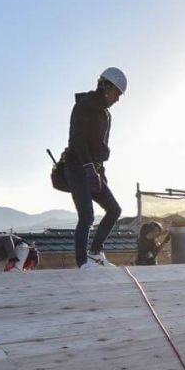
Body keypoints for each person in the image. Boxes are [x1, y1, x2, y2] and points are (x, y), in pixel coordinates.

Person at [62, 67, 125, 268]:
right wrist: (89, 168)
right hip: (77, 167)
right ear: (105, 86)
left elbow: (99, 147)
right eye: (117, 93)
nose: (118, 99)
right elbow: (77, 141)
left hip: (95, 171)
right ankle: (82, 263)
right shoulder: (84, 105)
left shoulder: (105, 113)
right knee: (86, 216)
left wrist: (99, 172)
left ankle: (96, 252)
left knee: (114, 210)